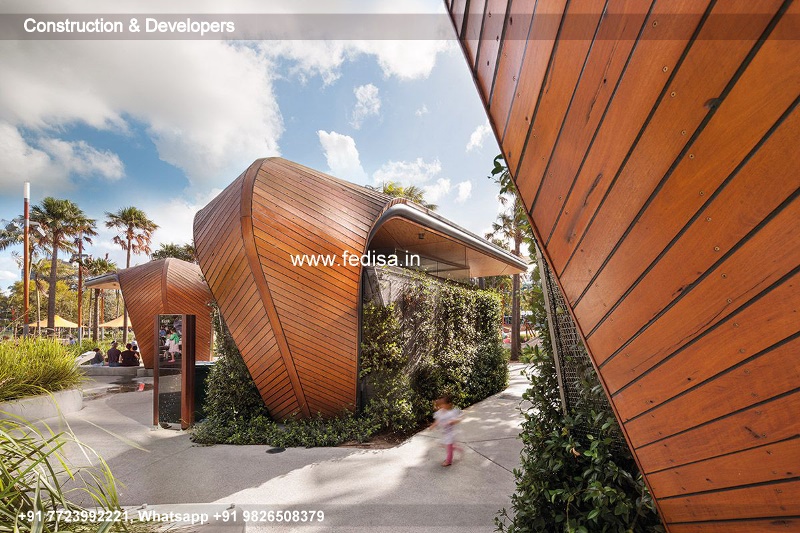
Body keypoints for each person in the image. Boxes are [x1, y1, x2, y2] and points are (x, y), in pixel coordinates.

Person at [431, 394, 462, 466]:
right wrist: (433, 426)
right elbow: (437, 421)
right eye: (440, 404)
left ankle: (448, 461)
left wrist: (451, 421)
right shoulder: (440, 412)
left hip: (450, 434)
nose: (441, 406)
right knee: (445, 445)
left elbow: (458, 420)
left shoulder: (451, 413)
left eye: (443, 404)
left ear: (448, 404)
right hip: (444, 433)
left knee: (448, 448)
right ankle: (456, 448)